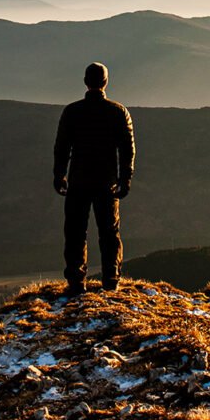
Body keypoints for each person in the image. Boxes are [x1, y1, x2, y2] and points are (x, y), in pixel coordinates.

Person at [52, 61, 135, 295]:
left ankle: (77, 281)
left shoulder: (72, 112)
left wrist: (60, 175)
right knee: (109, 232)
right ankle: (111, 280)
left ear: (85, 82)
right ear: (106, 82)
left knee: (76, 232)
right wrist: (125, 178)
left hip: (78, 181)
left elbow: (61, 147)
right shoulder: (118, 112)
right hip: (106, 183)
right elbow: (127, 149)